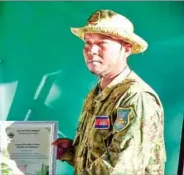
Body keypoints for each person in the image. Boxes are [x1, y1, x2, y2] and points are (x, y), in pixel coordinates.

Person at [52, 9, 166, 174]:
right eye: (88, 42)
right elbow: (102, 154)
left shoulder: (136, 97)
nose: (92, 50)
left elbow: (120, 169)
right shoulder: (96, 93)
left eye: (102, 43)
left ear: (126, 49)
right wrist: (69, 152)